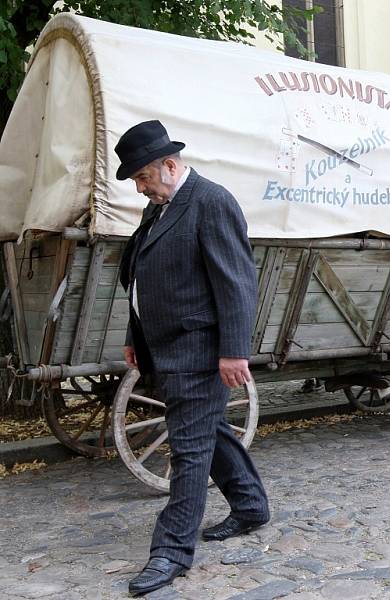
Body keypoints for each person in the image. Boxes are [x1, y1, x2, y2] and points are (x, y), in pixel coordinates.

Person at [116, 121, 270, 596]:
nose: (140, 186)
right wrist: (134, 333)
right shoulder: (158, 208)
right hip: (164, 346)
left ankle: (171, 551)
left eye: (142, 176)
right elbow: (144, 274)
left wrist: (232, 352)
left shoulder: (210, 201)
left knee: (188, 449)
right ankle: (250, 506)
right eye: (137, 180)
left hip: (199, 350)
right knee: (207, 429)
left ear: (170, 163)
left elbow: (236, 282)